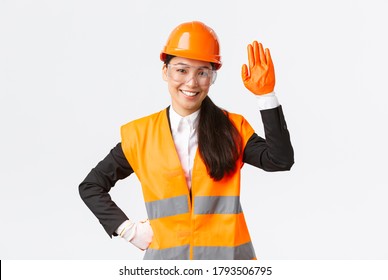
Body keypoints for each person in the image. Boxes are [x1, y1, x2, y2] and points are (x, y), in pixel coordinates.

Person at [79, 21, 294, 260]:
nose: (191, 83)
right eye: (182, 70)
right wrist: (128, 230)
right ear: (165, 71)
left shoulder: (232, 129)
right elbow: (91, 186)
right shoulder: (139, 135)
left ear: (212, 77)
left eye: (202, 72)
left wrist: (266, 96)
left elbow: (280, 160)